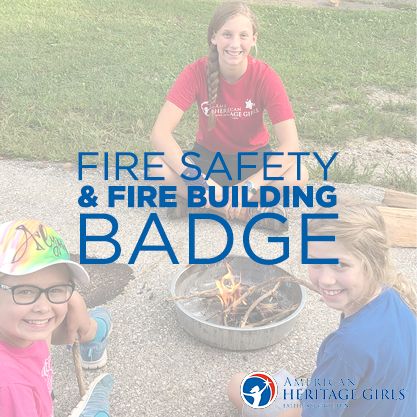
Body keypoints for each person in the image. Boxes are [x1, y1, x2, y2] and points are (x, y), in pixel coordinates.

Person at [227, 201, 417, 416]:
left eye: (340, 265)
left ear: (372, 263)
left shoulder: (347, 347)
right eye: (316, 263)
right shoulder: (396, 298)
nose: (326, 279)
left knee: (238, 385)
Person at [150, 1, 308, 226]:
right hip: (209, 162)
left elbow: (291, 145)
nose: (235, 44)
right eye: (227, 34)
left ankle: (200, 202)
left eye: (243, 35)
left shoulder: (266, 77)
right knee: (157, 167)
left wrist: (250, 186)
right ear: (214, 37)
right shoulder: (196, 72)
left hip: (253, 161)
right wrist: (199, 180)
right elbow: (159, 134)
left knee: (299, 174)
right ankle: (246, 212)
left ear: (254, 40)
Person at [0, 219, 113, 417]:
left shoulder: (20, 327)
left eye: (56, 289)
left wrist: (73, 300)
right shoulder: (10, 389)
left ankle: (92, 332)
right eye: (25, 291)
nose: (44, 307)